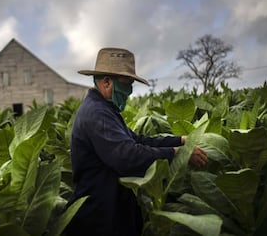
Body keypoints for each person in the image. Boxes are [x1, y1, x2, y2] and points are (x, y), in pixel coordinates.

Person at [65, 48, 208, 236]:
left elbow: (137, 140)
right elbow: (127, 156)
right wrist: (177, 153)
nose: (130, 91)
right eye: (127, 84)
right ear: (107, 82)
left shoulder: (105, 109)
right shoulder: (96, 113)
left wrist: (180, 140)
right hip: (100, 220)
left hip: (112, 211)